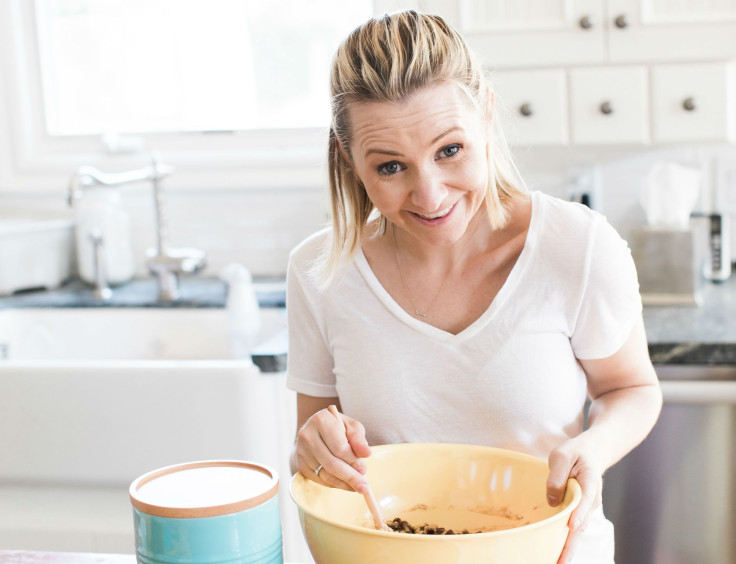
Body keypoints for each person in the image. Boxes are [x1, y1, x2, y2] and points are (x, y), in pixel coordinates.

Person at [286, 10, 662, 564]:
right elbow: (319, 460)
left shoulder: (577, 248)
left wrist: (595, 447)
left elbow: (631, 389)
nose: (430, 195)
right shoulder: (320, 272)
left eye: (449, 150)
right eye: (391, 167)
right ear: (349, 160)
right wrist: (315, 448)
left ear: (485, 113)